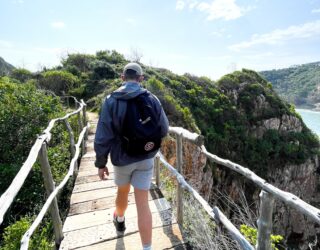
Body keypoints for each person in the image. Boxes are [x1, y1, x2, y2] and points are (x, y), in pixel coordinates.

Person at [94, 62, 169, 250]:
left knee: (122, 192)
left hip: (122, 157)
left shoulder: (111, 100)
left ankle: (119, 218)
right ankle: (147, 248)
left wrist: (101, 163)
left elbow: (103, 136)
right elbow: (165, 129)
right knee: (143, 203)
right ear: (141, 78)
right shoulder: (152, 99)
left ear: (122, 77)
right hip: (146, 157)